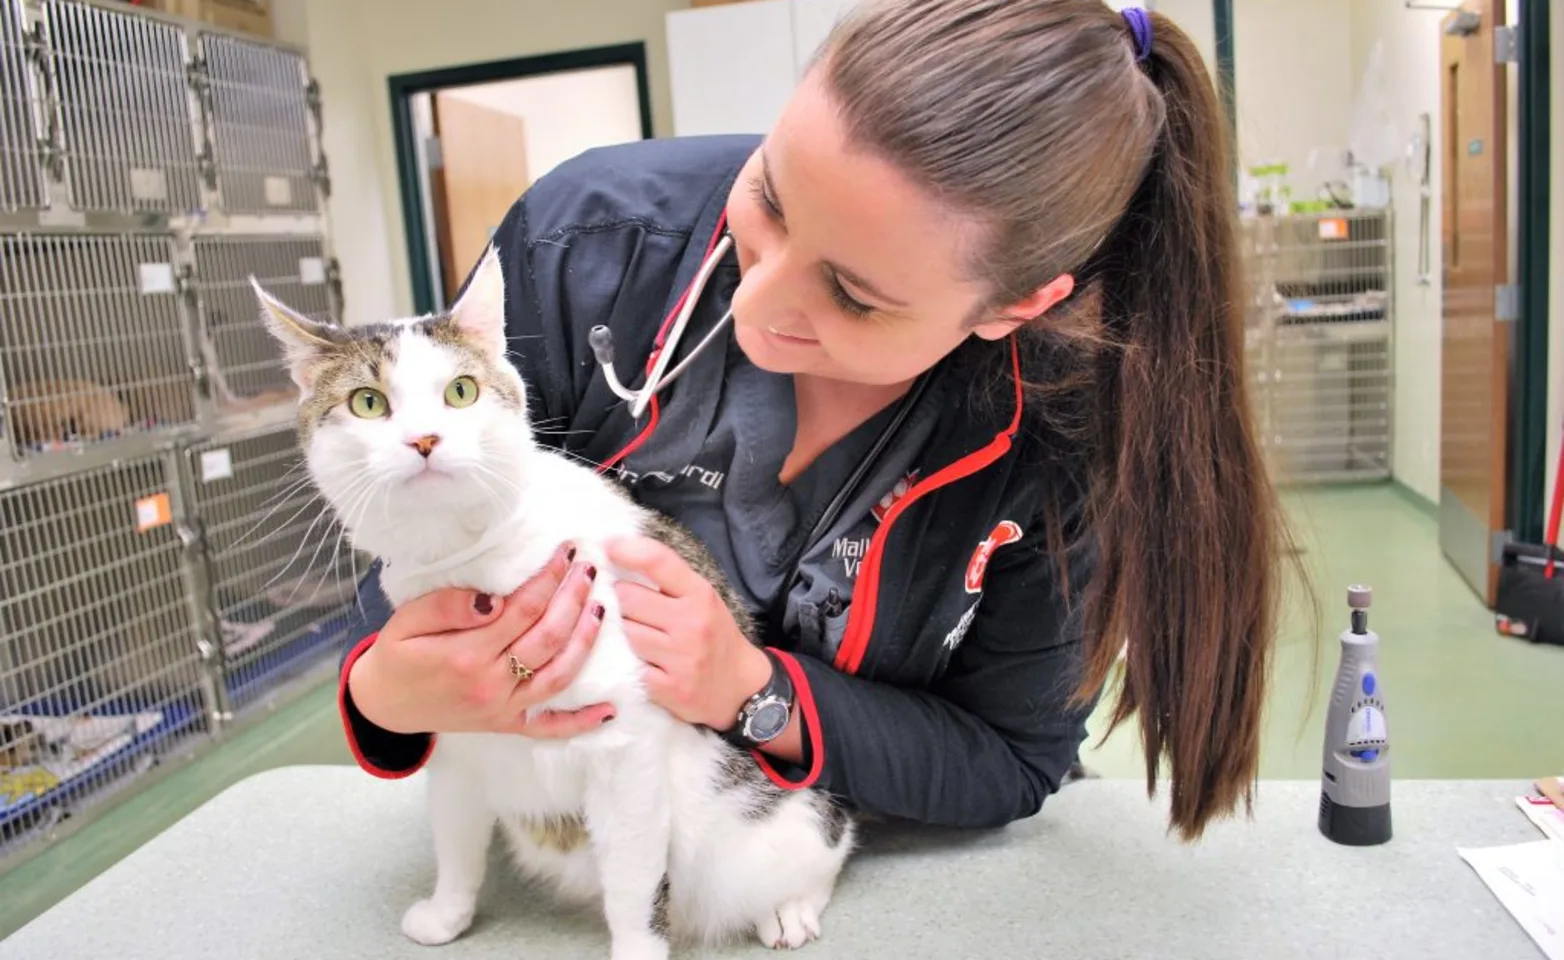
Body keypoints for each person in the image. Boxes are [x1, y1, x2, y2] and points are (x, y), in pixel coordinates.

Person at [336, 0, 1288, 839]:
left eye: (854, 296)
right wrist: (383, 687)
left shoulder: (1064, 428)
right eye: (771, 199)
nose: (756, 306)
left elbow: (1011, 756)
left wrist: (755, 694)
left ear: (1011, 308)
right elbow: (411, 524)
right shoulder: (584, 244)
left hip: (849, 864)